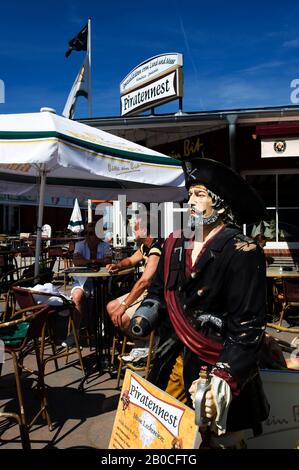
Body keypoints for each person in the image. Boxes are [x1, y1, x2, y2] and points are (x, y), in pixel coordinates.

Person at [136, 158, 270, 448]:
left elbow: (248, 328)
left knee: (223, 440)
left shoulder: (243, 251)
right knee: (166, 432)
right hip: (174, 355)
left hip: (218, 361)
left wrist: (225, 376)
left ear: (220, 205)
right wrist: (146, 312)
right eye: (190, 194)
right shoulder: (175, 242)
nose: (191, 201)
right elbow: (160, 291)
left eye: (200, 194)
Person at [106, 216, 162, 361]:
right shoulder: (145, 247)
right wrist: (117, 266)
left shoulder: (156, 248)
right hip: (146, 293)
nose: (133, 230)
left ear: (144, 230)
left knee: (122, 317)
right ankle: (142, 342)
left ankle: (151, 341)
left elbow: (144, 282)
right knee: (111, 306)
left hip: (157, 295)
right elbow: (130, 260)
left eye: (135, 227)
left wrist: (124, 306)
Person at [61, 221, 112, 347]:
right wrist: (94, 261)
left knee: (104, 297)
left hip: (101, 280)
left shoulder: (105, 246)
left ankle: (102, 326)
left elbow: (108, 260)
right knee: (77, 297)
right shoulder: (80, 245)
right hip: (82, 281)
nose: (89, 236)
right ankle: (74, 334)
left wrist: (89, 261)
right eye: (87, 233)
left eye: (92, 233)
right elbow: (76, 260)